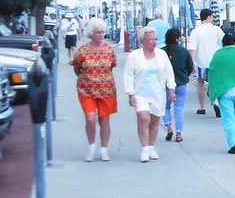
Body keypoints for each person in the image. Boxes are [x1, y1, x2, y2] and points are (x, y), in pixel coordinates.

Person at [123, 26, 176, 163]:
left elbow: (169, 72)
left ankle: (151, 145)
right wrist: (130, 93)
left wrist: (171, 88)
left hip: (158, 93)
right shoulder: (134, 56)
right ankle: (144, 148)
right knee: (143, 118)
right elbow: (128, 75)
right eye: (150, 39)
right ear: (143, 41)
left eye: (155, 39)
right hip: (140, 93)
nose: (153, 42)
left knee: (155, 120)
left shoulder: (161, 55)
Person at [72, 17, 118, 162]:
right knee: (91, 119)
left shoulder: (109, 51)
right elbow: (77, 68)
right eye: (97, 32)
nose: (100, 35)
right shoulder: (82, 51)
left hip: (106, 90)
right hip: (87, 91)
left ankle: (104, 149)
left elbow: (111, 67)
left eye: (102, 32)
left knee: (104, 120)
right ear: (91, 33)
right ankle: (91, 146)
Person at [187, 8, 224, 116]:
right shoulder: (217, 30)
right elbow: (224, 43)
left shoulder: (196, 31)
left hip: (201, 61)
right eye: (212, 16)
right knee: (214, 83)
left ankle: (202, 107)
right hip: (215, 61)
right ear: (208, 17)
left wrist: (191, 64)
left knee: (200, 83)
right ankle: (216, 102)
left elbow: (192, 49)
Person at [162, 27, 195, 143]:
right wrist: (185, 75)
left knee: (165, 107)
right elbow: (190, 66)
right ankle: (179, 134)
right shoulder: (184, 51)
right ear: (177, 39)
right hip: (181, 83)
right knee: (179, 109)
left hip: (165, 86)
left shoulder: (162, 52)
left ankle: (169, 127)